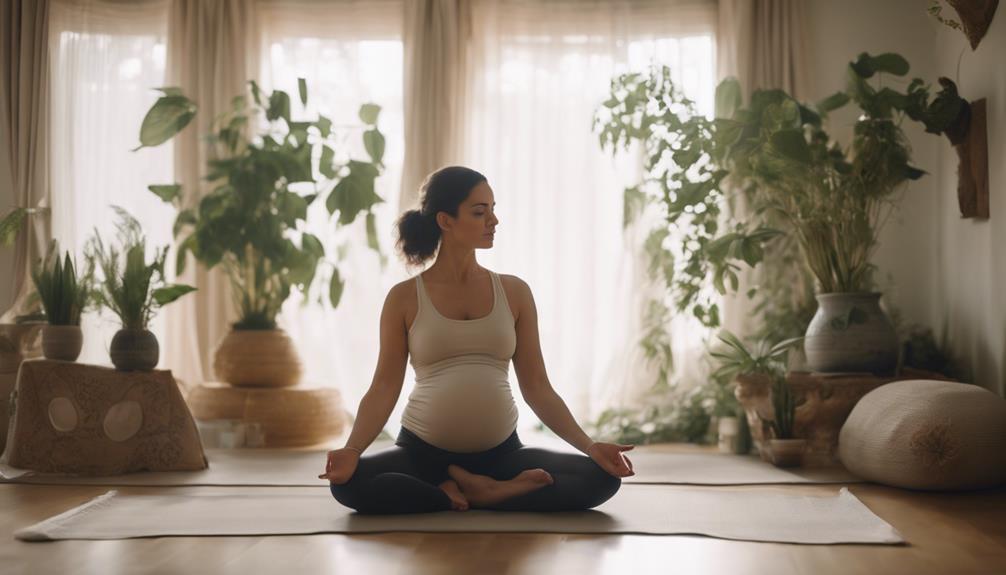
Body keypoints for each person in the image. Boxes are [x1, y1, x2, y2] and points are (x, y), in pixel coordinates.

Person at [319, 166, 635, 514]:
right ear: (446, 220)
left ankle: (475, 491)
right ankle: (460, 493)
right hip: (422, 453)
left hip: (502, 454)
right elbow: (383, 387)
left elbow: (538, 388)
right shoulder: (404, 297)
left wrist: (591, 447)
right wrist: (351, 451)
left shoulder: (514, 292)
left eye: (493, 209)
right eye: (480, 212)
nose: (494, 220)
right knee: (347, 487)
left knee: (602, 479)